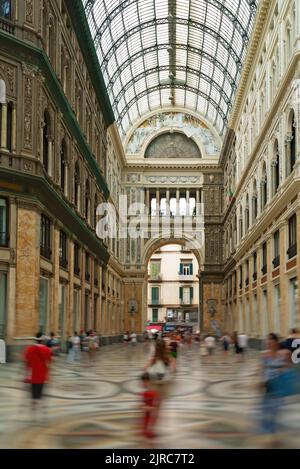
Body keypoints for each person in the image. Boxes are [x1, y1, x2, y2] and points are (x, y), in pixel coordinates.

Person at [259, 333, 291, 438]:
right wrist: (260, 381)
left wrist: (283, 371)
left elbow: (288, 367)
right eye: (267, 340)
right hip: (268, 386)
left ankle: (272, 431)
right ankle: (269, 432)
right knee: (266, 410)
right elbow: (262, 369)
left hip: (279, 386)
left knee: (276, 409)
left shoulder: (283, 354)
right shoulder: (264, 355)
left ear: (276, 342)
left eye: (270, 340)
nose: (268, 342)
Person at [24, 332, 52, 420]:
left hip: (32, 377)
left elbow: (27, 363)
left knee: (33, 397)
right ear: (43, 340)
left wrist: (26, 375)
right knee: (41, 395)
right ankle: (43, 414)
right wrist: (48, 376)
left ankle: (33, 415)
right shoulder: (47, 350)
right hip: (42, 377)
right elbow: (49, 363)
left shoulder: (29, 349)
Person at [140, 372, 161, 438]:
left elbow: (156, 407)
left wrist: (146, 407)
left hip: (150, 420)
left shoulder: (153, 393)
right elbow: (144, 403)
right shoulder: (145, 393)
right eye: (143, 381)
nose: (143, 383)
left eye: (144, 381)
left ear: (149, 381)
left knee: (148, 436)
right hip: (147, 420)